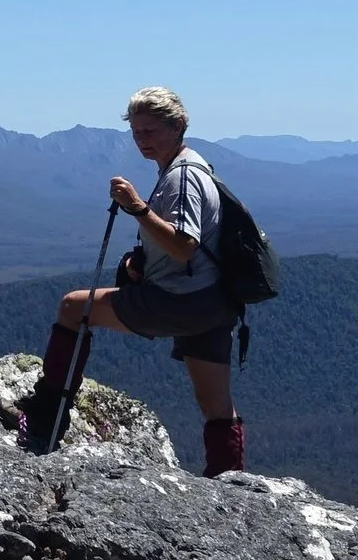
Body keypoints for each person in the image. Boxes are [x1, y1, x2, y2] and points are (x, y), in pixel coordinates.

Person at [36, 86, 245, 475]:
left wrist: (136, 208)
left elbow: (184, 245)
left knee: (72, 307)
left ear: (178, 125)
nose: (141, 141)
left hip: (179, 299)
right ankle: (230, 480)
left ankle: (44, 416)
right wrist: (140, 262)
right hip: (214, 301)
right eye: (135, 132)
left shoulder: (181, 178)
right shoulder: (194, 165)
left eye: (149, 132)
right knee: (215, 403)